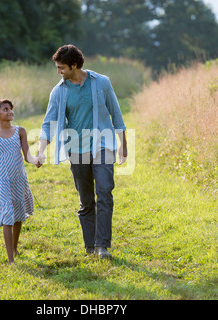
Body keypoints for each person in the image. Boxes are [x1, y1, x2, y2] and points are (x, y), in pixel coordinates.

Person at [36, 44, 128, 260]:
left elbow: (116, 114)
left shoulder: (101, 83)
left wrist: (124, 146)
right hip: (76, 149)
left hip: (103, 145)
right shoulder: (59, 91)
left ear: (74, 65)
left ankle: (102, 246)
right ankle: (90, 246)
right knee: (87, 200)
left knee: (105, 191)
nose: (59, 72)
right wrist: (41, 151)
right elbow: (48, 123)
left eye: (61, 68)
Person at [0, 99, 39, 265]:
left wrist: (36, 160)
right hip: (1, 181)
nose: (10, 112)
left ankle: (14, 248)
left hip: (18, 179)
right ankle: (11, 259)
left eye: (11, 109)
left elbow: (27, 155)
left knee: (18, 216)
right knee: (7, 216)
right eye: (5, 109)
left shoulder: (20, 131)